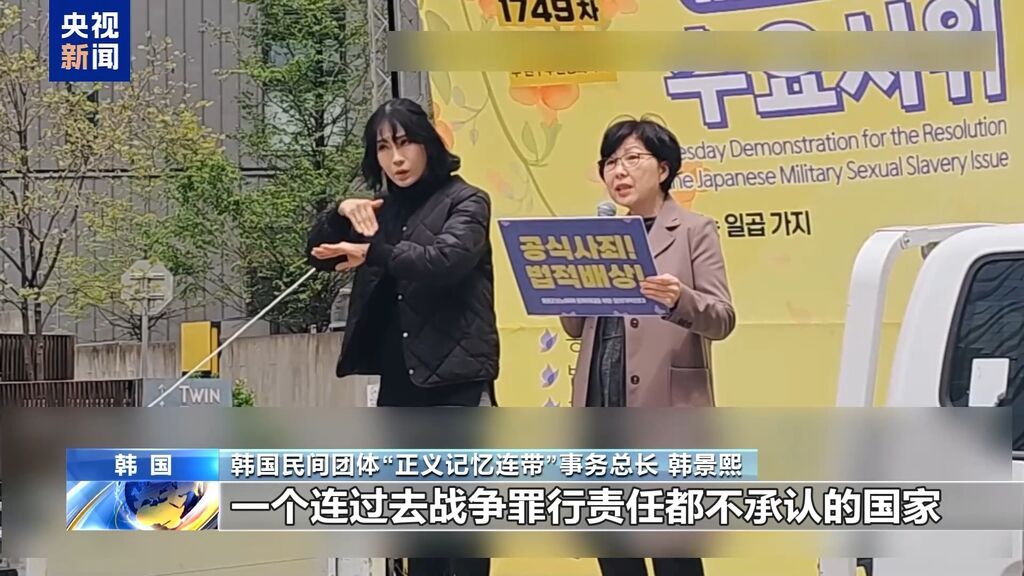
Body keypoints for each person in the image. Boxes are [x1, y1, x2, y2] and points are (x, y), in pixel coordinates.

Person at [306, 97, 497, 576]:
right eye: (384, 148)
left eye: (406, 143)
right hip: (400, 382)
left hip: (456, 383)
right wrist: (340, 212)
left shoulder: (467, 201)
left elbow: (444, 261)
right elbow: (318, 254)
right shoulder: (379, 210)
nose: (397, 158)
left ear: (428, 144)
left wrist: (372, 252)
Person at [560, 117, 736, 576]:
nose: (618, 171)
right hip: (602, 405)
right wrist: (568, 283)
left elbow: (722, 318)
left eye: (632, 159)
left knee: (671, 549)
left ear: (662, 169)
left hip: (664, 410)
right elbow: (575, 327)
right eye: (610, 162)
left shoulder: (694, 230)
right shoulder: (599, 238)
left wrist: (680, 299)